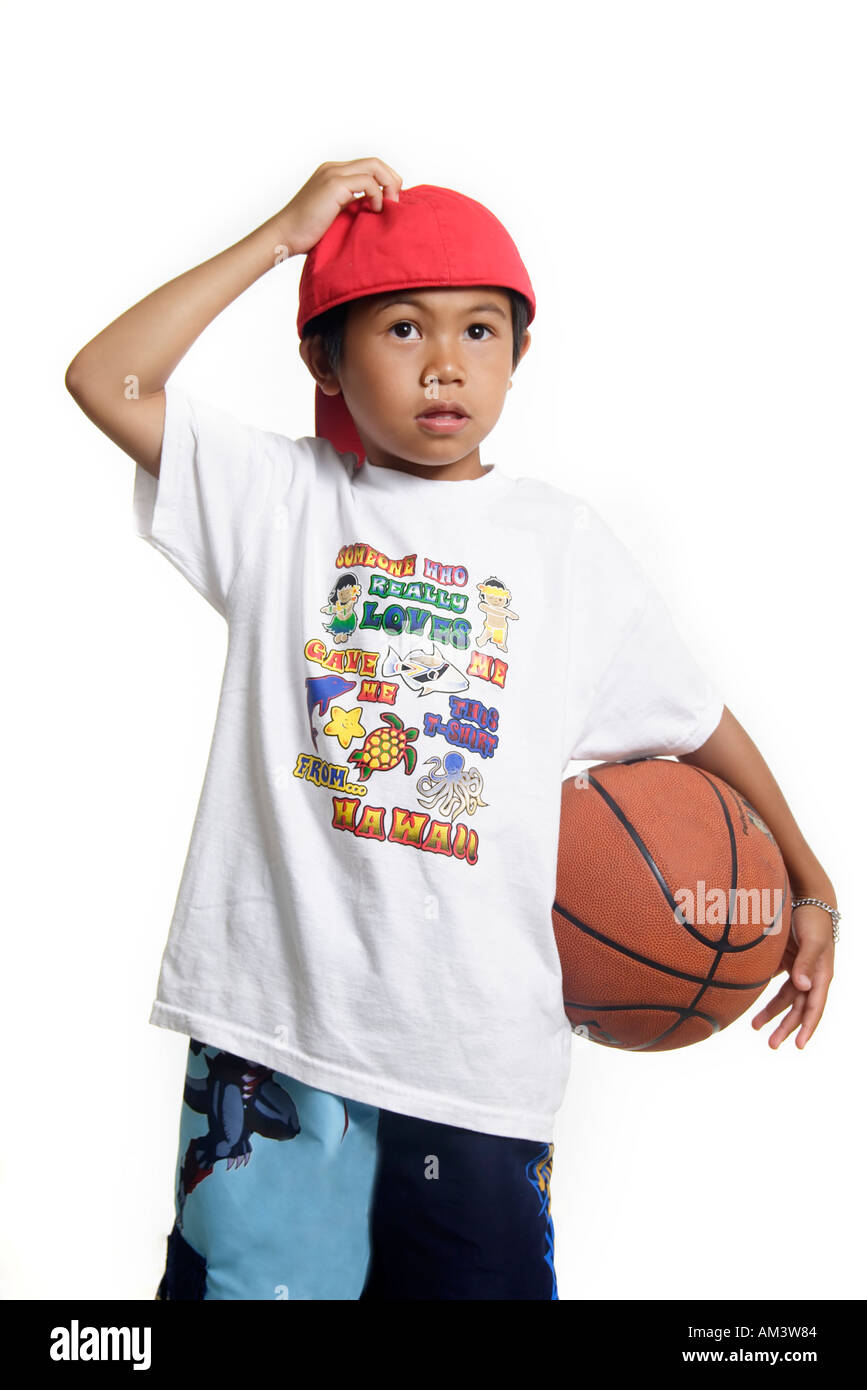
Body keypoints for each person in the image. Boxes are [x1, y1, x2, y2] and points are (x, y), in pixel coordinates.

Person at [65, 157, 838, 1301]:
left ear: (520, 355)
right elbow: (104, 376)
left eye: (481, 330)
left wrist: (813, 884)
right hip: (276, 1043)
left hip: (475, 1069)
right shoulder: (282, 503)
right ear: (326, 357)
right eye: (402, 328)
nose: (445, 362)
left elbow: (698, 724)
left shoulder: (562, 547)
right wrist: (283, 237)